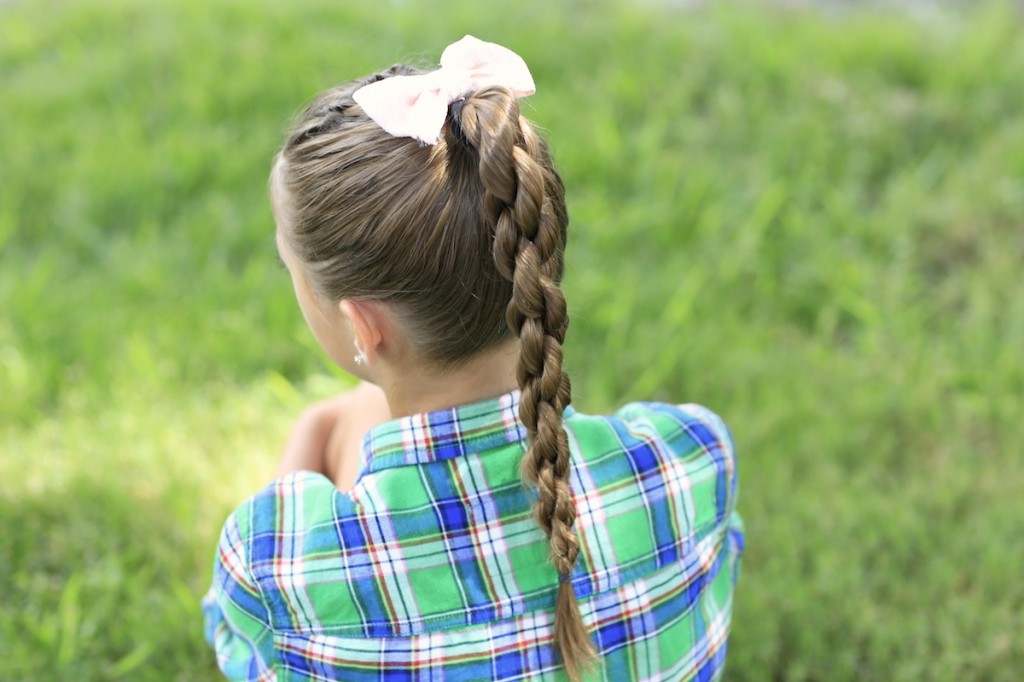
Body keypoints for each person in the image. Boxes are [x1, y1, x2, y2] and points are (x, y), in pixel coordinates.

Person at [202, 35, 743, 682]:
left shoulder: (277, 557)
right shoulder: (689, 457)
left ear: (362, 328)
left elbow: (239, 648)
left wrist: (302, 456)